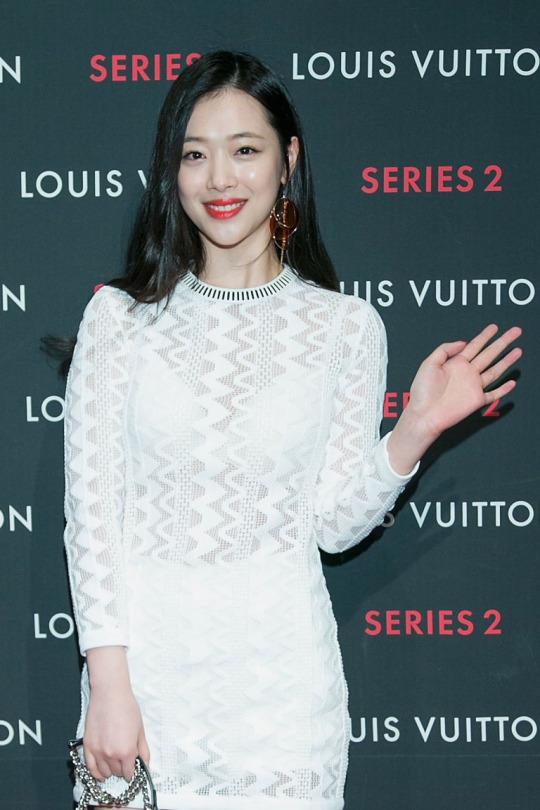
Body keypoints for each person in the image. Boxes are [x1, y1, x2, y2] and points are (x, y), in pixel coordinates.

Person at [60, 49, 522, 810]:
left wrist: (412, 432)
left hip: (283, 702)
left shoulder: (344, 328)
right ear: (171, 172)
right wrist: (108, 682)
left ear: (288, 161)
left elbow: (334, 526)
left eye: (245, 150)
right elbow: (93, 519)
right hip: (144, 691)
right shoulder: (120, 320)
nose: (220, 179)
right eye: (195, 155)